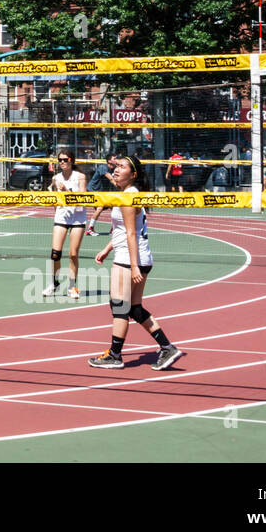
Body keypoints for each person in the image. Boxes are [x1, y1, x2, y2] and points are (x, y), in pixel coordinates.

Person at [87, 155, 184, 371]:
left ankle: (115, 355)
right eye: (116, 166)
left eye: (122, 167)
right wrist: (106, 249)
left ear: (133, 174)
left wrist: (133, 266)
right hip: (136, 256)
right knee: (134, 307)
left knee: (119, 306)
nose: (116, 169)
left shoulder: (130, 195)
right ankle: (167, 347)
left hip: (130, 259)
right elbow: (123, 231)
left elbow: (131, 233)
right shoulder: (126, 194)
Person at [44, 149, 87, 298]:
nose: (62, 162)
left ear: (71, 160)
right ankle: (54, 283)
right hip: (62, 217)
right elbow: (54, 198)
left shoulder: (80, 177)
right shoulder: (56, 178)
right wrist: (57, 211)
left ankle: (72, 286)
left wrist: (67, 190)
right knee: (55, 254)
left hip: (78, 217)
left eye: (65, 159)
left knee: (73, 254)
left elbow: (82, 201)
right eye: (60, 160)